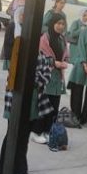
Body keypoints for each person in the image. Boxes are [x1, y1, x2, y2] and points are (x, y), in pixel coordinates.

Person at [0, 53, 55, 174]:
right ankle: (10, 168)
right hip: (15, 101)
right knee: (12, 135)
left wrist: (32, 74)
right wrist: (33, 75)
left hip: (33, 103)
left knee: (24, 137)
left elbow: (46, 78)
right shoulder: (18, 53)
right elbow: (16, 76)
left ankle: (17, 168)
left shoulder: (41, 57)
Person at [30, 13, 68, 144]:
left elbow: (65, 55)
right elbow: (40, 56)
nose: (60, 26)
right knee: (44, 105)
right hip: (46, 75)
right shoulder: (45, 38)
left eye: (62, 24)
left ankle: (47, 131)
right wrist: (54, 62)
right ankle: (36, 132)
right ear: (52, 24)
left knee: (54, 106)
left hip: (57, 77)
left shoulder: (62, 39)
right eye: (58, 23)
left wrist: (64, 62)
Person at [0, 6, 23, 71]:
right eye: (22, 15)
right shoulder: (12, 26)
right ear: (17, 15)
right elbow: (8, 41)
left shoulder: (24, 26)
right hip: (11, 55)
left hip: (19, 55)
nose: (23, 17)